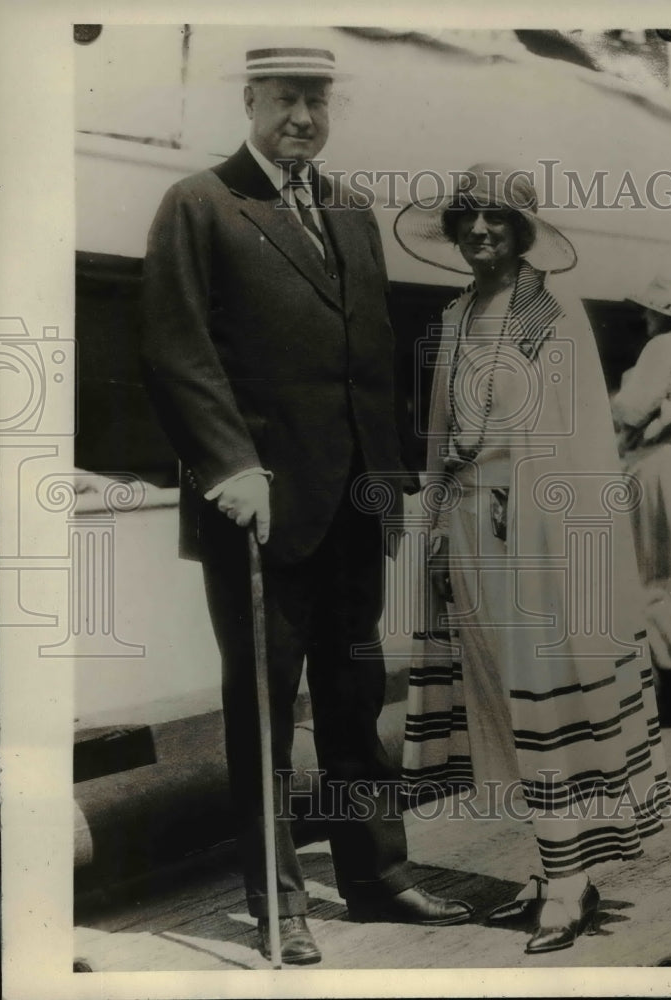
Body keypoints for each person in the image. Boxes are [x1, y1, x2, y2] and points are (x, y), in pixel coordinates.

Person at [140, 41, 471, 965]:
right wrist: (229, 466)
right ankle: (278, 902)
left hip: (354, 509)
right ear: (249, 101)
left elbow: (369, 365)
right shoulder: (201, 205)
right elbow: (176, 351)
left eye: (316, 103)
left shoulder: (353, 213)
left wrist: (392, 479)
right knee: (262, 709)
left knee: (358, 698)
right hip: (260, 509)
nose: (302, 119)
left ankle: (375, 875)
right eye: (285, 100)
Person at [396, 164, 670, 954]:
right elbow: (442, 439)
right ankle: (554, 870)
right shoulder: (455, 314)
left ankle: (570, 883)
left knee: (548, 692)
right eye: (469, 218)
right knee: (497, 697)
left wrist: (538, 511)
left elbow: (577, 434)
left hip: (543, 530)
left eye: (498, 219)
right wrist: (440, 528)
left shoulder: (549, 312)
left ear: (522, 231)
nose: (481, 231)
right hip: (475, 525)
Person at [611, 277, 671, 721]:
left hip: (660, 466)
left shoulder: (662, 348)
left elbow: (632, 408)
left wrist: (615, 397)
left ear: (665, 310)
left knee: (658, 578)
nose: (644, 317)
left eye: (649, 310)